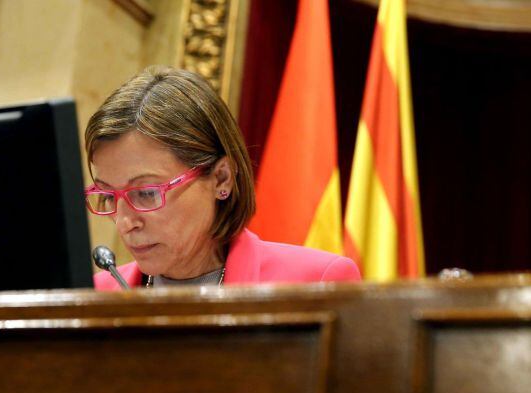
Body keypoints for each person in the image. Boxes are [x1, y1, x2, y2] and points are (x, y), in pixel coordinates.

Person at [86, 66, 361, 289]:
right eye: (108, 196)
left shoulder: (317, 284)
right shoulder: (95, 296)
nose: (124, 223)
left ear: (221, 179)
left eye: (146, 192)